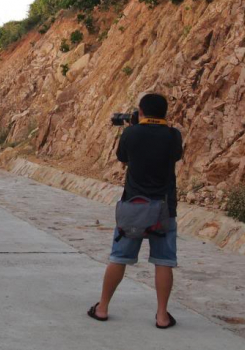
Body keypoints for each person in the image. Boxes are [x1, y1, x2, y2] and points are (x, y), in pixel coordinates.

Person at [88, 93, 183, 329]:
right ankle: (162, 315)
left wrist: (133, 127)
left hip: (134, 206)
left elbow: (122, 157)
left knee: (119, 258)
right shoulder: (173, 136)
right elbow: (176, 156)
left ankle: (102, 308)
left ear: (141, 112)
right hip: (164, 208)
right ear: (164, 113)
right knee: (164, 262)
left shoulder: (131, 133)